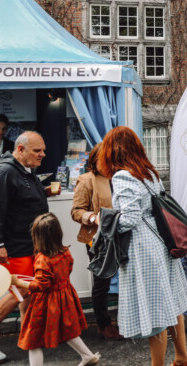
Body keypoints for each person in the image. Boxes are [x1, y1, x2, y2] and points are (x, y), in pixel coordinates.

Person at [98, 126, 187, 366]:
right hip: (163, 242)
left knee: (156, 309)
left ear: (111, 151)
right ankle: (182, 357)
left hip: (143, 249)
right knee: (171, 302)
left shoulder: (122, 176)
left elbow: (129, 219)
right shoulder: (150, 173)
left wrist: (103, 221)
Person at [0, 131, 49, 365]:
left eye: (43, 150)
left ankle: (27, 339)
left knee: (27, 294)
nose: (43, 155)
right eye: (37, 151)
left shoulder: (25, 171)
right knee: (21, 291)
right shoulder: (6, 172)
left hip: (29, 245)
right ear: (20, 149)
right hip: (12, 247)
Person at [10, 213, 100, 366]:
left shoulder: (42, 259)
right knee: (67, 331)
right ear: (59, 232)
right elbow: (65, 271)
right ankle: (87, 356)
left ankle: (87, 356)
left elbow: (41, 286)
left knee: (33, 340)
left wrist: (18, 281)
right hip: (64, 296)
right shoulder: (65, 251)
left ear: (37, 236)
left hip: (46, 303)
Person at [70, 143, 123, 340]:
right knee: (102, 282)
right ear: (94, 160)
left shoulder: (120, 177)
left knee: (128, 277)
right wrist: (93, 217)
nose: (109, 163)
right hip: (97, 239)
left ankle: (127, 318)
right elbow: (76, 211)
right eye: (105, 159)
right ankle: (103, 324)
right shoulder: (87, 180)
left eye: (112, 158)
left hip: (122, 235)